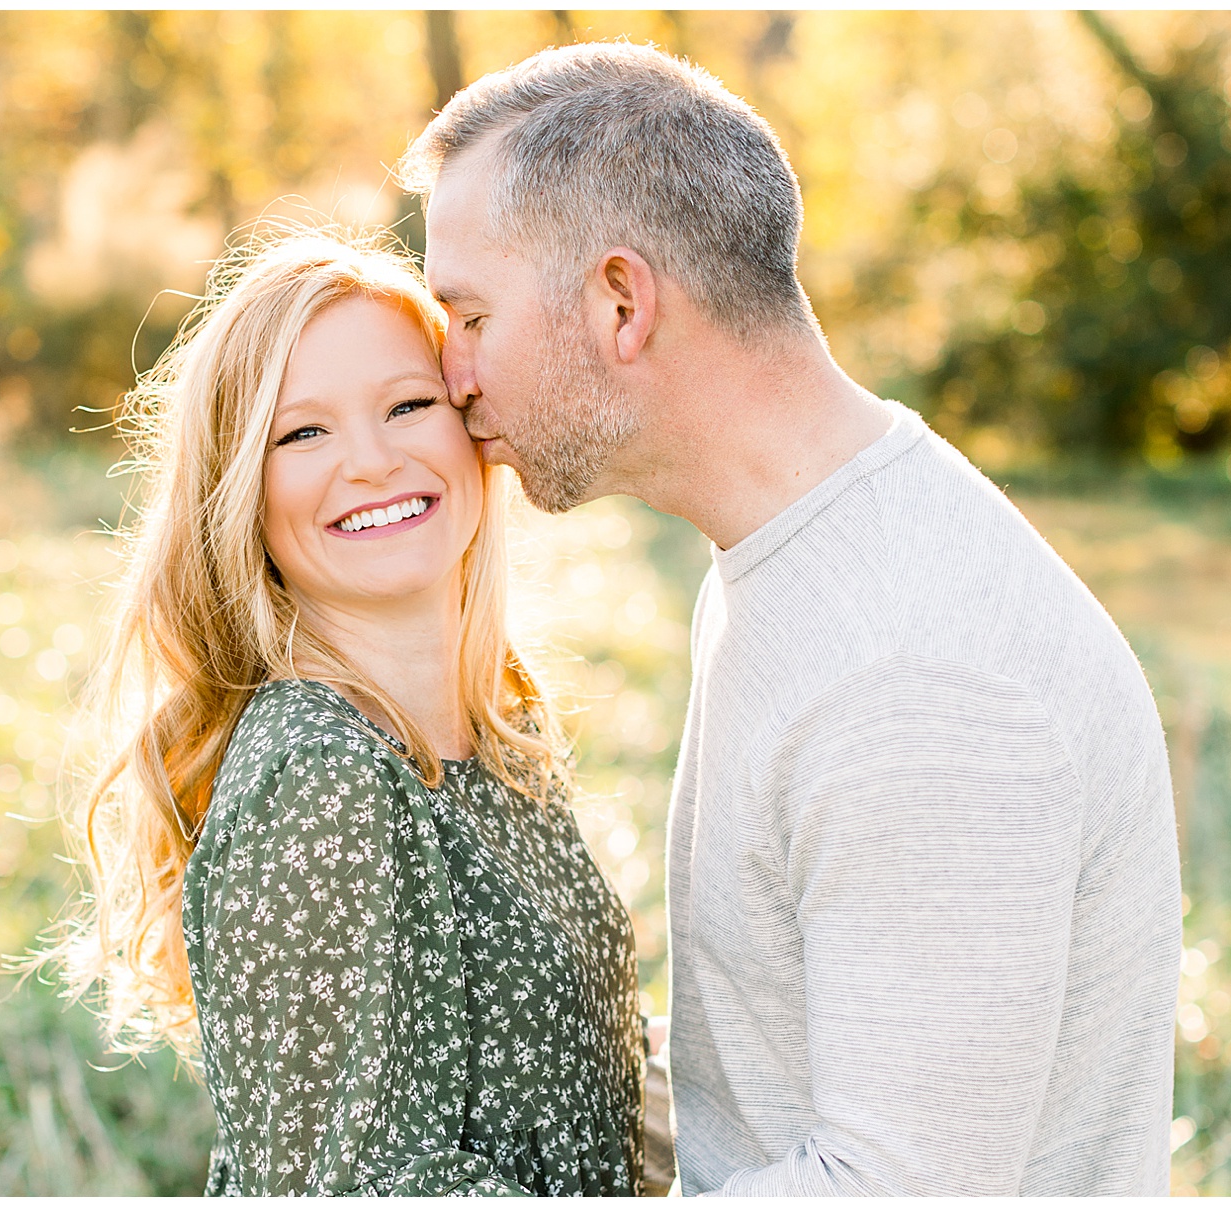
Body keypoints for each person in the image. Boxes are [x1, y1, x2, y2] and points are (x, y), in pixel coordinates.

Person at [399, 41, 1184, 1196]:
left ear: (621, 302)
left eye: (470, 315)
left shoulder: (914, 679)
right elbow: (769, 1074)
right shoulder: (801, 549)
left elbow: (895, 1186)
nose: (451, 375)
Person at [45, 233, 645, 1195]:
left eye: (409, 405)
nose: (371, 461)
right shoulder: (323, 778)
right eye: (303, 433)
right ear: (241, 492)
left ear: (473, 423)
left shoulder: (501, 725)